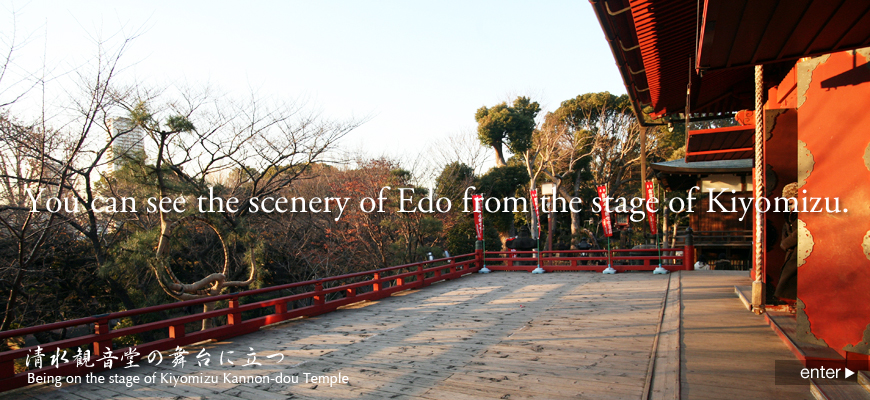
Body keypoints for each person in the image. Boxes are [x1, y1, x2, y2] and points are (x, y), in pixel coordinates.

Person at [774, 183, 799, 300]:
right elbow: (786, 227)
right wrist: (784, 243)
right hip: (791, 247)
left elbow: (802, 229)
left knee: (789, 274)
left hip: (799, 246)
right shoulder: (789, 212)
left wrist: (787, 242)